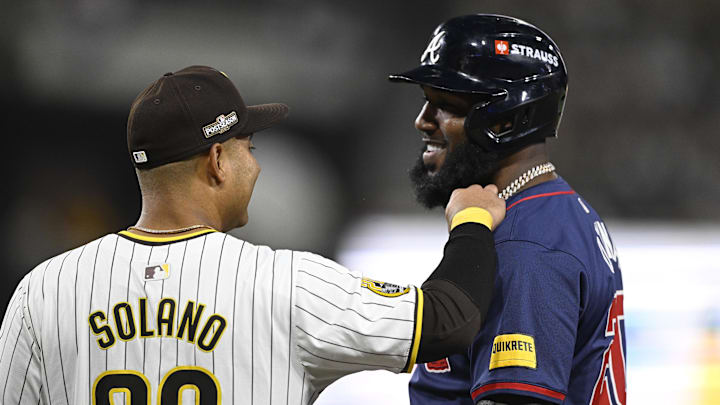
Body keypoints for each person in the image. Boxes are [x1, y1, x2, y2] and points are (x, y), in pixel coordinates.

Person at [0, 65, 507, 405]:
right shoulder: (284, 285)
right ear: (218, 160)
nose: (257, 165)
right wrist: (471, 222)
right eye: (249, 146)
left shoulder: (42, 291)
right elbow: (448, 320)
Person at [389, 14, 626, 405]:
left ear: (509, 119)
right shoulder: (548, 212)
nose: (422, 122)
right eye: (425, 102)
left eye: (445, 105)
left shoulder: (525, 246)